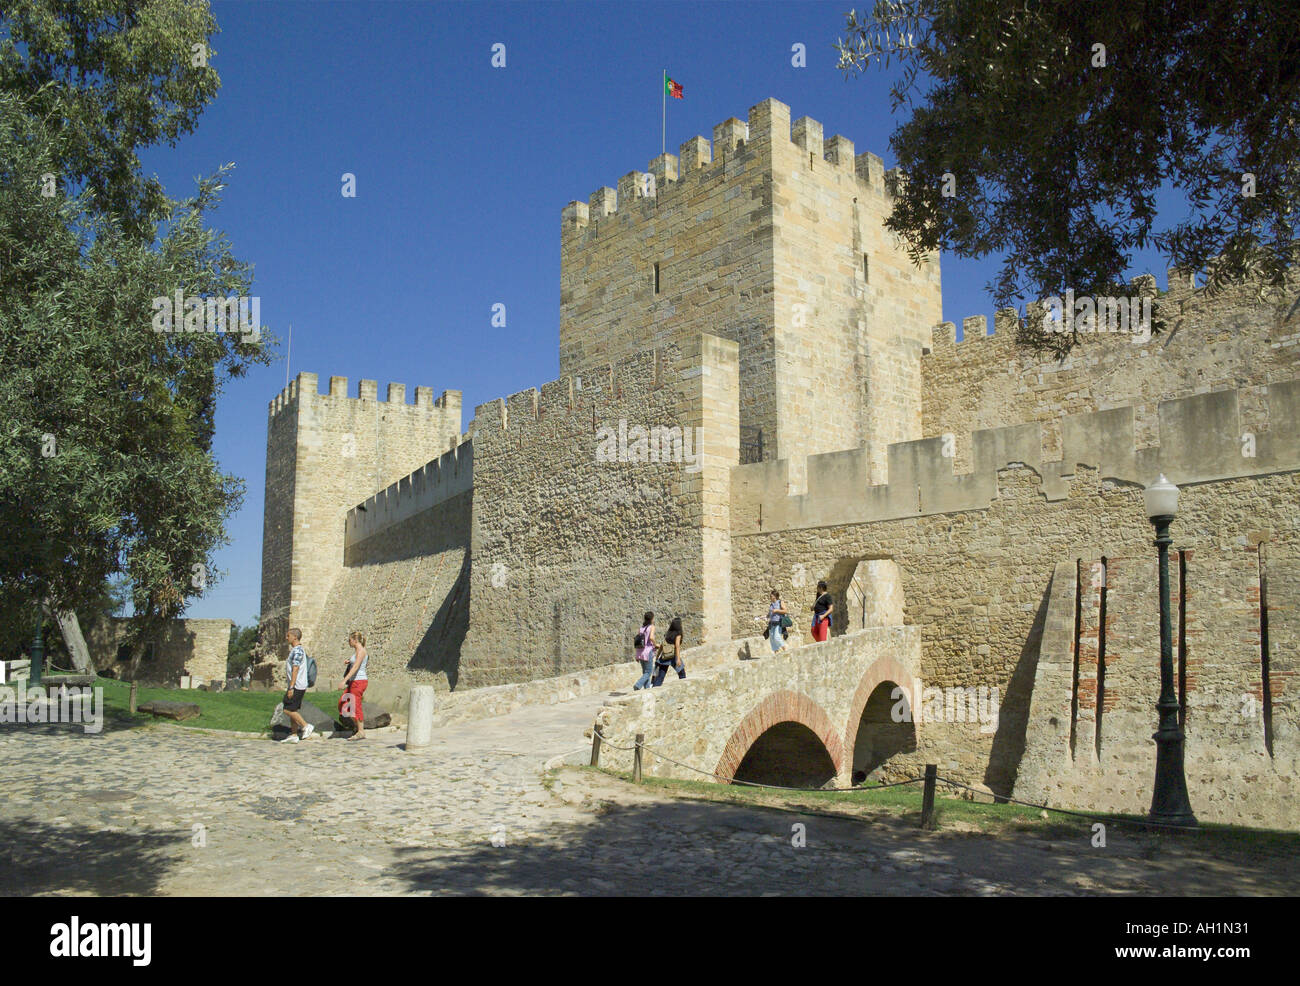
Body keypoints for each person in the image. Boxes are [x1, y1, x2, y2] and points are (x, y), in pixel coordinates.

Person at [282, 628, 314, 743]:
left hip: (297, 685)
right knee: (293, 709)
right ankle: (294, 734)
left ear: (295, 637)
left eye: (288, 635)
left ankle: (306, 726)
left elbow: (295, 669)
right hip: (297, 684)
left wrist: (291, 687)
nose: (286, 638)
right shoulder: (296, 650)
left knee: (287, 709)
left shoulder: (298, 651)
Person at [339, 630, 369, 740]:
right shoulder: (357, 650)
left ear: (355, 640)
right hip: (353, 681)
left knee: (355, 705)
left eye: (349, 640)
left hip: (359, 682)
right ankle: (357, 727)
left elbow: (356, 667)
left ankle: (361, 731)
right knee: (343, 703)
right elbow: (355, 663)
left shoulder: (361, 651)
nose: (348, 642)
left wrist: (344, 681)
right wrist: (349, 661)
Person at [652, 617, 686, 686]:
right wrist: (678, 659)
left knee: (660, 676)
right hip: (673, 655)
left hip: (664, 656)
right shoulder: (678, 634)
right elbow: (677, 646)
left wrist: (658, 656)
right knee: (682, 673)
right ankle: (683, 686)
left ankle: (655, 688)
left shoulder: (668, 633)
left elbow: (662, 645)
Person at [633, 612, 656, 690]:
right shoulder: (651, 627)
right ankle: (638, 685)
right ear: (652, 618)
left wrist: (636, 655)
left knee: (645, 672)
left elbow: (637, 641)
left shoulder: (641, 628)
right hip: (647, 652)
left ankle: (647, 689)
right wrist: (655, 645)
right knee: (649, 672)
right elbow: (651, 638)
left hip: (640, 652)